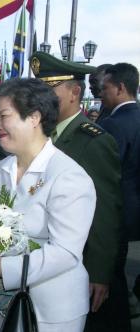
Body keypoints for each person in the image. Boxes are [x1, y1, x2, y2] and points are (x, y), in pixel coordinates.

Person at [0, 78, 96, 331]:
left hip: (54, 309)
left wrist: (4, 268)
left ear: (34, 117)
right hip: (2, 305)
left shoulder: (68, 176)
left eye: (4, 117)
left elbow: (66, 253)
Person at [30, 51, 126, 332]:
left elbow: (105, 213)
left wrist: (99, 273)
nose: (40, 100)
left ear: (75, 92)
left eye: (50, 91)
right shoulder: (41, 136)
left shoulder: (93, 141)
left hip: (78, 262)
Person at [100, 62, 140, 318]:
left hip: (119, 209)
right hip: (135, 206)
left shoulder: (113, 125)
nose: (100, 94)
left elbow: (107, 174)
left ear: (121, 88)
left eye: (105, 88)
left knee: (113, 270)